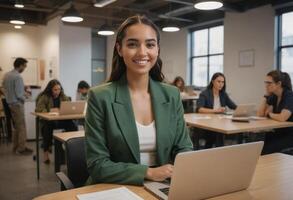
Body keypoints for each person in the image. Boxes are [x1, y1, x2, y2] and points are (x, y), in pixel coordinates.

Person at [85, 15, 193, 186]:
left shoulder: (172, 95)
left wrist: (177, 170)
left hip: (164, 184)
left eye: (150, 44)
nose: (142, 52)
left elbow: (184, 148)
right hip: (115, 186)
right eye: (132, 44)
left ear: (157, 49)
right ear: (120, 49)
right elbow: (98, 165)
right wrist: (148, 172)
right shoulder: (100, 97)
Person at [35, 79, 78, 164]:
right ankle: (46, 154)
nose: (57, 91)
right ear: (50, 89)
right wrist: (50, 111)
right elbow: (39, 109)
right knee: (47, 128)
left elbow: (68, 106)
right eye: (55, 89)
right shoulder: (44, 96)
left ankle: (70, 149)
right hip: (49, 121)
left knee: (72, 126)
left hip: (60, 120)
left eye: (59, 89)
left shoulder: (63, 96)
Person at [196, 72, 237, 148]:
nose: (221, 84)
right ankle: (215, 150)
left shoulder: (223, 94)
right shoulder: (205, 93)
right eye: (218, 81)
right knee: (217, 133)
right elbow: (200, 109)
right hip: (207, 123)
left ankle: (219, 151)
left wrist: (243, 110)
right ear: (212, 81)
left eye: (223, 82)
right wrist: (216, 110)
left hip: (220, 122)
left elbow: (233, 106)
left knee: (220, 131)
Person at [257, 70, 293, 154]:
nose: (266, 85)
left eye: (269, 83)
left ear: (278, 84)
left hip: (289, 135)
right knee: (258, 145)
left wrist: (270, 114)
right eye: (265, 82)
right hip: (277, 132)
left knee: (266, 150)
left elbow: (283, 117)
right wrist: (266, 95)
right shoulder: (274, 96)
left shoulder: (289, 96)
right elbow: (260, 114)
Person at [2, 57, 33, 155]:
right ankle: (21, 149)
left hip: (9, 104)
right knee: (22, 127)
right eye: (24, 66)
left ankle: (15, 148)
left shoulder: (7, 75)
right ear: (20, 65)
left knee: (16, 127)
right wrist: (27, 97)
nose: (25, 68)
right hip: (17, 105)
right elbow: (19, 95)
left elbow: (4, 88)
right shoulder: (18, 77)